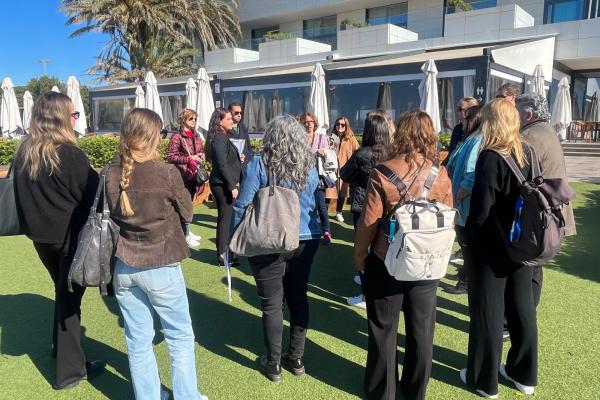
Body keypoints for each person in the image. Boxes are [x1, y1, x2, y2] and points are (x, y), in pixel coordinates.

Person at [105, 108, 207, 400]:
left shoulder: (110, 173)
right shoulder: (165, 172)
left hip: (124, 266)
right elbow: (188, 212)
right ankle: (187, 396)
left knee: (138, 341)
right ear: (152, 137)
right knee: (179, 336)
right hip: (161, 264)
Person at [354, 109, 453, 400]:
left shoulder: (383, 171)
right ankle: (415, 391)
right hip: (426, 260)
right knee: (422, 332)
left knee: (383, 329)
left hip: (387, 259)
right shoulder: (440, 173)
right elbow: (447, 215)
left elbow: (369, 223)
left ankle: (382, 391)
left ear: (401, 134)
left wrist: (360, 257)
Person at [13, 92, 105, 390]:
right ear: (60, 117)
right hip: (70, 240)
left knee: (64, 294)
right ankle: (70, 372)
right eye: (73, 114)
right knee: (69, 303)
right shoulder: (69, 153)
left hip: (41, 239)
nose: (75, 119)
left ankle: (61, 350)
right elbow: (95, 197)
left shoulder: (25, 151)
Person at [231, 115, 321, 383]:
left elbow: (242, 204)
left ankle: (274, 364)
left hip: (269, 239)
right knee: (298, 297)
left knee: (272, 304)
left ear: (271, 137)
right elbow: (314, 199)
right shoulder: (309, 165)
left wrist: (232, 240)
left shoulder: (260, 164)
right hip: (305, 238)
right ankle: (296, 358)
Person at [461, 98, 538, 398]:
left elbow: (480, 211)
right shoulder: (528, 151)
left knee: (488, 313)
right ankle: (524, 374)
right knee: (522, 309)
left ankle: (484, 380)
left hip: (492, 248)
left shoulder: (491, 156)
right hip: (524, 243)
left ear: (491, 122)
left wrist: (468, 240)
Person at [515, 92, 577, 307]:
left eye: (516, 112)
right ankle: (526, 315)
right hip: (550, 209)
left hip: (539, 212)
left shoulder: (530, 135)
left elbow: (517, 174)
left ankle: (516, 318)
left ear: (528, 114)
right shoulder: (546, 130)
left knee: (525, 268)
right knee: (534, 267)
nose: (513, 117)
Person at [340, 114, 391, 310]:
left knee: (363, 249)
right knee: (382, 249)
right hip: (387, 208)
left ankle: (366, 294)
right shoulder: (394, 153)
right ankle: (376, 286)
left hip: (363, 206)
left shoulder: (362, 154)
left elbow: (345, 174)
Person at [444, 105, 482, 295]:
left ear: (473, 120)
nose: (461, 121)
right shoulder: (470, 138)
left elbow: (471, 176)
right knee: (466, 243)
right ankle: (466, 277)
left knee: (468, 245)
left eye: (465, 118)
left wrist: (456, 196)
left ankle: (467, 282)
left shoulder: (477, 140)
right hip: (460, 203)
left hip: (463, 205)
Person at [205, 107, 242, 265]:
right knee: (225, 220)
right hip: (222, 185)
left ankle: (224, 253)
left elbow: (225, 160)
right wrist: (232, 186)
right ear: (219, 122)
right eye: (228, 119)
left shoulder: (221, 137)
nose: (232, 121)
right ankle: (222, 255)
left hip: (223, 183)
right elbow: (221, 164)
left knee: (225, 219)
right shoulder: (220, 138)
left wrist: (237, 158)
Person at [167, 108, 205, 248]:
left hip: (193, 174)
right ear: (183, 120)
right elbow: (171, 156)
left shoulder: (196, 135)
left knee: (189, 203)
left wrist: (201, 155)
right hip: (182, 175)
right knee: (183, 205)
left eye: (195, 119)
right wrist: (189, 158)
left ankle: (187, 231)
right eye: (191, 118)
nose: (194, 121)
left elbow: (200, 150)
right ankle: (185, 234)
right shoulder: (177, 137)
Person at [299, 112, 332, 244]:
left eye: (311, 122)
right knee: (306, 205)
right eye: (306, 122)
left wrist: (324, 152)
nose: (309, 124)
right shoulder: (300, 137)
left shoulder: (322, 137)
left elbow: (329, 154)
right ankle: (308, 230)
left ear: (315, 123)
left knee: (321, 205)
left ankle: (326, 232)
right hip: (303, 175)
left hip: (318, 175)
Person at [331, 116, 360, 223]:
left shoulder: (351, 138)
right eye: (338, 124)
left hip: (346, 169)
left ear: (346, 126)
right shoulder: (331, 137)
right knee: (330, 191)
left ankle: (339, 212)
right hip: (332, 169)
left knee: (343, 192)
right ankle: (322, 212)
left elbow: (357, 152)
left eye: (342, 125)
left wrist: (351, 165)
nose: (340, 126)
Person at [228, 102, 253, 171]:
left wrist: (249, 158)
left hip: (245, 166)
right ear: (230, 113)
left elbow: (248, 146)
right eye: (236, 113)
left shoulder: (243, 127)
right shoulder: (225, 129)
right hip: (232, 168)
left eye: (240, 113)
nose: (239, 115)